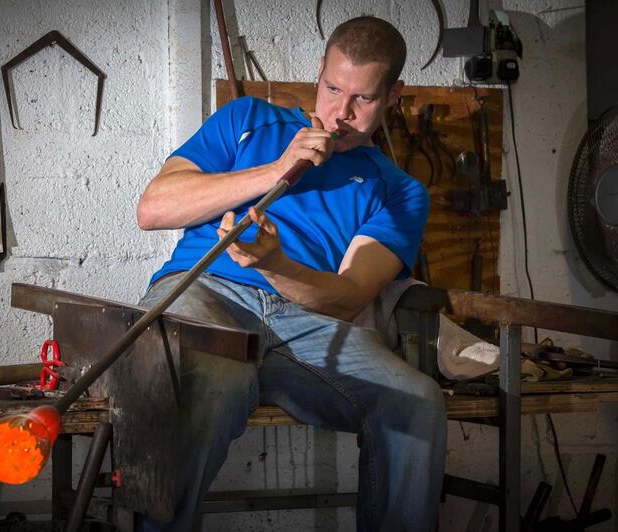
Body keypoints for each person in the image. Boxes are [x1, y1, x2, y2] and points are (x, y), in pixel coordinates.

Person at [135, 16, 446, 532]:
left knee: (416, 402)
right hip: (206, 289)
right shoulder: (247, 119)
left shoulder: (399, 191)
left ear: (394, 96)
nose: (341, 113)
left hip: (304, 323)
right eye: (331, 89)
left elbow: (347, 298)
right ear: (319, 71)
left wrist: (275, 265)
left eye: (363, 99)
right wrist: (275, 170)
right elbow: (153, 208)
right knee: (212, 383)